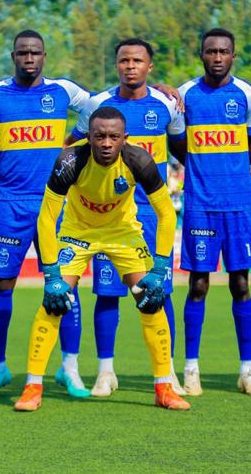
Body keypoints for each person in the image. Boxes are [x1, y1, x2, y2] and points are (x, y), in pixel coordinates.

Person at [13, 106, 189, 411]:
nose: (106, 143)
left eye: (113, 137)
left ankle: (164, 387)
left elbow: (166, 214)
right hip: (77, 232)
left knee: (151, 299)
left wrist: (160, 268)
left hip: (123, 232)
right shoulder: (69, 160)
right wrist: (52, 275)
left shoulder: (140, 160)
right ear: (89, 137)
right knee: (54, 301)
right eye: (100, 136)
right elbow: (47, 217)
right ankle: (32, 387)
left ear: (125, 138)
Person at [0, 30, 92, 399]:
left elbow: (99, 107)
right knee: (1, 284)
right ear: (13, 56)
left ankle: (69, 368)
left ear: (44, 56)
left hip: (56, 204)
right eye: (22, 52)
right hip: (11, 204)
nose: (29, 58)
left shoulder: (63, 91)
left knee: (65, 285)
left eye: (35, 52)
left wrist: (71, 143)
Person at [67, 38, 185, 397]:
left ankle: (167, 373)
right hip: (111, 216)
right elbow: (71, 149)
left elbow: (183, 149)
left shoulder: (166, 103)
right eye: (123, 60)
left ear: (149, 66)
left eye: (137, 60)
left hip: (152, 213)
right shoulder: (98, 104)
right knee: (108, 293)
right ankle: (106, 372)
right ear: (116, 64)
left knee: (161, 292)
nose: (130, 66)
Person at [169, 28, 251, 396]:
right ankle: (191, 369)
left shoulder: (247, 95)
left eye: (224, 51)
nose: (218, 57)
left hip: (238, 204)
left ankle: (247, 370)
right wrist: (199, 167)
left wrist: (237, 170)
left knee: (241, 284)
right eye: (211, 51)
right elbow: (177, 141)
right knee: (198, 285)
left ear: (233, 56)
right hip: (200, 205)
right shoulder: (186, 94)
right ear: (201, 55)